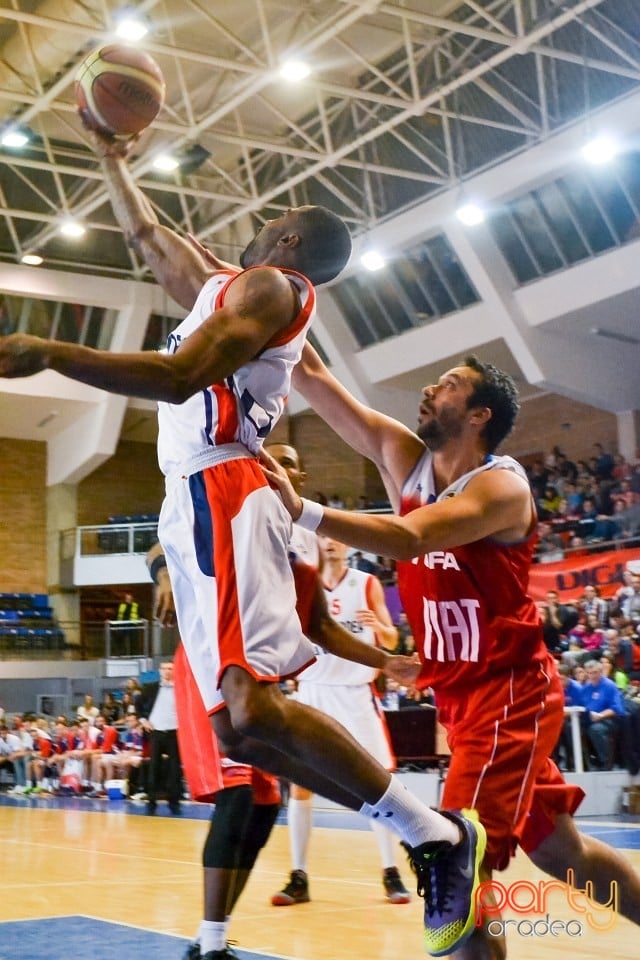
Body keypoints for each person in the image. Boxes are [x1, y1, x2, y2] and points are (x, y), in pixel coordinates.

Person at [0, 126, 491, 958]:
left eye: (274, 220)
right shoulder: (232, 285)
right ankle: (427, 833)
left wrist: (50, 351)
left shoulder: (274, 285)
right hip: (190, 493)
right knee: (240, 730)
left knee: (254, 706)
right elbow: (152, 239)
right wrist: (113, 157)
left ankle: (437, 836)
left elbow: (184, 375)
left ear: (288, 239)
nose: (257, 225)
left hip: (223, 485)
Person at [261, 344, 640, 957]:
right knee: (561, 852)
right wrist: (243, 288)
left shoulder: (501, 488)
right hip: (462, 702)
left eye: (448, 384)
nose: (429, 391)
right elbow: (310, 372)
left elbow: (411, 539)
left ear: (478, 415)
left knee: (454, 860)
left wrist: (302, 510)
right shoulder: (405, 461)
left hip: (509, 692)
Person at [272, 533, 411, 908]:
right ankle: (299, 876)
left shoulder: (366, 583)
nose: (330, 542)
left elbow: (393, 639)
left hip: (355, 694)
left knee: (379, 785)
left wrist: (381, 630)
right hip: (313, 691)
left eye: (336, 537)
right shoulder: (303, 582)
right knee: (301, 787)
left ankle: (390, 871)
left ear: (351, 545)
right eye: (322, 537)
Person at [138, 661, 182, 816]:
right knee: (153, 767)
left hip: (175, 732)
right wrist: (144, 720)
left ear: (175, 671)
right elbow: (139, 705)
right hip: (156, 730)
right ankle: (151, 801)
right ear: (159, 671)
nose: (167, 671)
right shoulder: (150, 688)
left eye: (170, 668)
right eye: (164, 668)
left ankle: (174, 802)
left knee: (174, 768)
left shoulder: (181, 689)